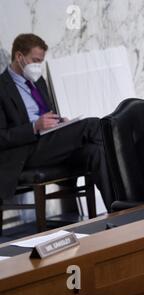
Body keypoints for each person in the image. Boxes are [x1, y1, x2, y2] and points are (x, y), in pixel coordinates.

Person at [0, 34, 114, 212]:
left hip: (48, 142)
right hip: (25, 151)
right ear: (19, 56)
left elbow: (47, 114)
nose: (38, 66)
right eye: (35, 60)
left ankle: (118, 211)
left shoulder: (38, 81)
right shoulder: (2, 87)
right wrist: (34, 127)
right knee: (92, 124)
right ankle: (129, 192)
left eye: (41, 61)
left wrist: (60, 122)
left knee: (96, 151)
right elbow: (2, 137)